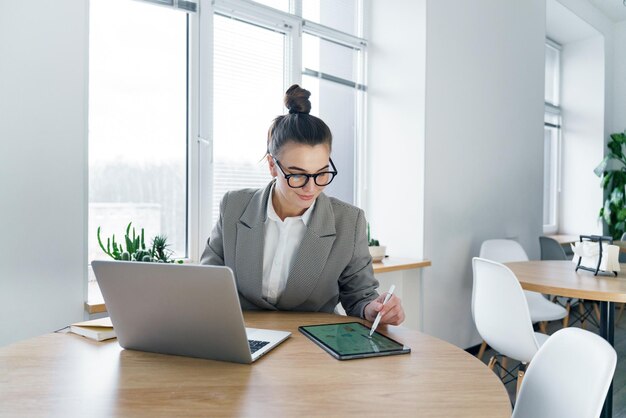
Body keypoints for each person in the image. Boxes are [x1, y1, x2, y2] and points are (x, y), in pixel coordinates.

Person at [200, 84, 405, 326]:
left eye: (321, 173)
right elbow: (208, 282)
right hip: (243, 338)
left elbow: (360, 297)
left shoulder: (349, 222)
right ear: (272, 166)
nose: (311, 188)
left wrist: (374, 309)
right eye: (297, 175)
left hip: (314, 347)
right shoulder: (233, 206)